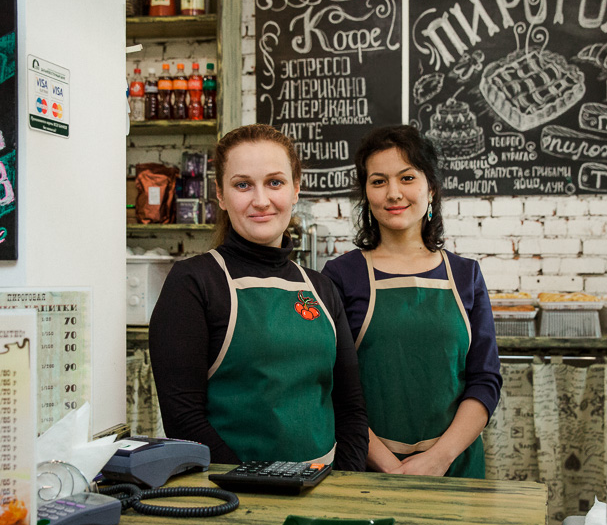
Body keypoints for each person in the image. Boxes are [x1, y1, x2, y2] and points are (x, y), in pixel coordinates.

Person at [148, 124, 368, 471]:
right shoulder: (193, 283)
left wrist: (346, 482)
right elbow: (184, 420)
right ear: (220, 195)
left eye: (275, 182)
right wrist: (254, 485)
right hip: (236, 497)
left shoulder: (320, 288)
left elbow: (351, 406)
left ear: (296, 189)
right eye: (243, 185)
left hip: (327, 488)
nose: (261, 200)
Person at [321, 125, 502, 478]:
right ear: (366, 195)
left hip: (456, 469)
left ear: (430, 189)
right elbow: (329, 385)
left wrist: (439, 458)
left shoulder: (466, 275)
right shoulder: (341, 275)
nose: (393, 193)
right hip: (368, 470)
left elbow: (485, 380)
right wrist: (390, 466)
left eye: (407, 178)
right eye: (378, 181)